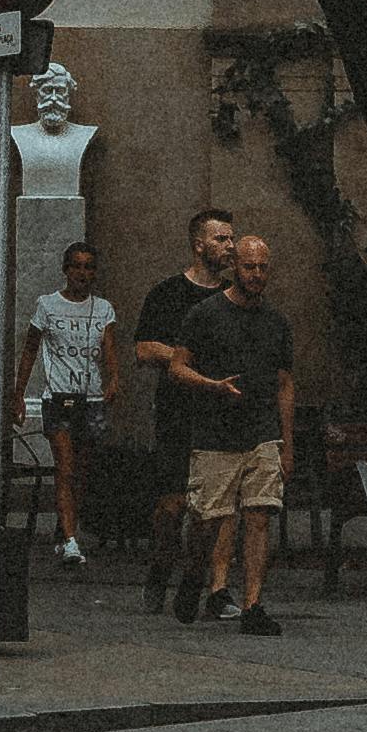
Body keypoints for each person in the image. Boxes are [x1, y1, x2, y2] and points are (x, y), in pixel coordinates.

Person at [169, 230, 295, 631]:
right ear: (234, 267)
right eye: (248, 266)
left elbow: (285, 383)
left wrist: (286, 444)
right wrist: (211, 385)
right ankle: (194, 574)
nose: (256, 274)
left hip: (261, 432)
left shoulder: (276, 322)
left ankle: (253, 604)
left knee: (259, 515)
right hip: (215, 434)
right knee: (208, 519)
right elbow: (177, 366)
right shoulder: (205, 315)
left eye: (262, 267)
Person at [136, 210, 239, 608]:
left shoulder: (232, 298)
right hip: (178, 411)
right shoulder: (167, 294)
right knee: (173, 504)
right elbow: (144, 349)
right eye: (221, 239)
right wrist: (185, 357)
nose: (228, 246)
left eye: (231, 239)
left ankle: (214, 587)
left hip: (219, 414)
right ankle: (161, 566)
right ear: (199, 244)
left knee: (216, 507)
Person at [22, 237, 122, 569]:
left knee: (81, 470)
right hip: (59, 396)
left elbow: (108, 349)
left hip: (90, 396)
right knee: (65, 466)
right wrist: (18, 394)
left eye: (88, 267)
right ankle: (69, 540)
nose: (82, 273)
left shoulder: (103, 308)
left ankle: (66, 527)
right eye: (76, 266)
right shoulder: (48, 305)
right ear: (66, 270)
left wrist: (113, 379)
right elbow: (30, 349)